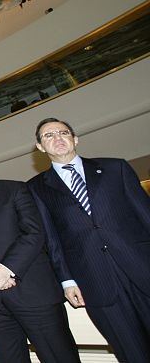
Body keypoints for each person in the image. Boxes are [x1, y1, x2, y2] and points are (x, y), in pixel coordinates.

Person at [28, 117, 150, 362]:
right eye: (48, 136)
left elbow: (145, 214)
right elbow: (52, 240)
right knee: (131, 352)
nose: (57, 139)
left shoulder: (116, 168)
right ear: (40, 148)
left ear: (75, 139)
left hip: (141, 267)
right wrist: (66, 280)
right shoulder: (36, 187)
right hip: (95, 280)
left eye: (63, 132)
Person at [0, 149, 79, 363]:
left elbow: (34, 233)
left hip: (32, 290)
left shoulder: (17, 189)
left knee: (58, 355)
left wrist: (5, 269)